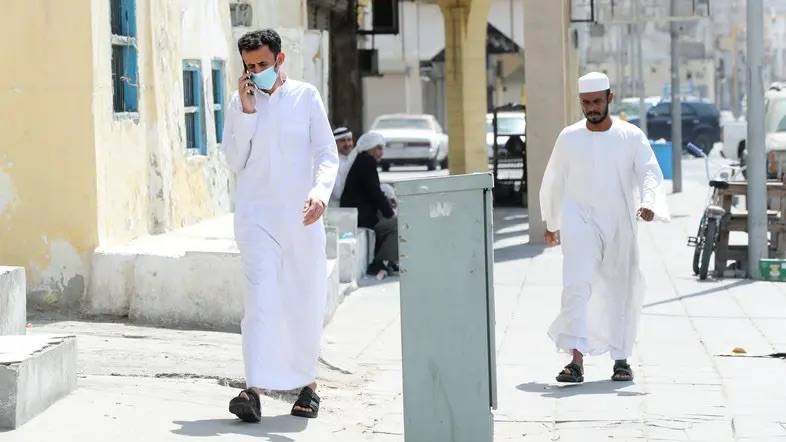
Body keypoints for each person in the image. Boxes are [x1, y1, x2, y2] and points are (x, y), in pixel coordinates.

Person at [221, 28, 338, 422]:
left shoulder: (305, 97)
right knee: (260, 301)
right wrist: (248, 112)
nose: (256, 71)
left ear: (280, 60)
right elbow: (234, 161)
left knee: (303, 300)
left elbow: (326, 152)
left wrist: (320, 192)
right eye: (250, 66)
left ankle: (308, 385)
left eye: (263, 64)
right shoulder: (239, 104)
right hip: (256, 218)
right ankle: (252, 389)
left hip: (302, 218)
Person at [540, 72, 669, 384]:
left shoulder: (631, 136)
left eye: (597, 101)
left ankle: (620, 358)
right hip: (578, 217)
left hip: (619, 220)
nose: (591, 108)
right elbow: (554, 180)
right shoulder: (568, 137)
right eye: (586, 102)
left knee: (619, 287)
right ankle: (575, 360)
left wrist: (649, 201)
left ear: (610, 98)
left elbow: (650, 171)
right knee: (576, 285)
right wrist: (552, 221)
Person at [340, 131, 399, 275]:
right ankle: (379, 262)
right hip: (361, 216)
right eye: (378, 148)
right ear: (370, 148)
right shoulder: (367, 162)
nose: (381, 152)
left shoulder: (362, 160)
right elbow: (375, 193)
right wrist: (389, 213)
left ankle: (386, 260)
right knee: (397, 225)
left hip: (361, 213)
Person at [330, 127, 356, 205]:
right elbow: (338, 193)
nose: (347, 144)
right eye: (342, 141)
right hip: (335, 207)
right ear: (335, 143)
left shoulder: (354, 158)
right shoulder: (332, 162)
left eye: (349, 140)